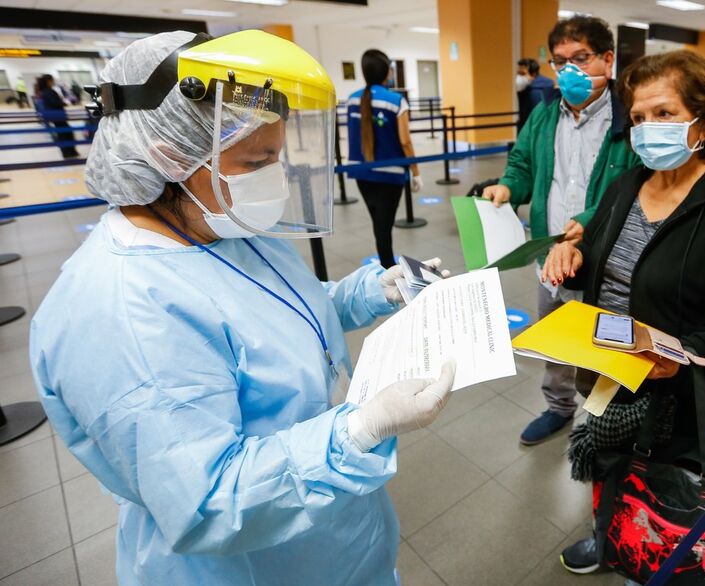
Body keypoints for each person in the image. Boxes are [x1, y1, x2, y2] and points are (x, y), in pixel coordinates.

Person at [29, 30, 455, 585]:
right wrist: (359, 430)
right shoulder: (124, 314)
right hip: (252, 563)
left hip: (328, 539)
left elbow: (275, 313)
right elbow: (208, 500)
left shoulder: (216, 223)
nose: (274, 176)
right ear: (171, 156)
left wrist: (374, 291)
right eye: (257, 160)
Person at [541, 49, 705, 575]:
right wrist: (571, 256)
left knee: (653, 477)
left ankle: (659, 549)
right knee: (604, 463)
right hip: (602, 367)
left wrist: (681, 357)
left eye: (664, 114)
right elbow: (601, 265)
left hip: (670, 390)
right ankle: (608, 537)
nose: (647, 129)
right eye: (639, 118)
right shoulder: (626, 187)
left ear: (704, 120)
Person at [481, 15, 641, 445]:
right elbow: (522, 165)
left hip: (604, 260)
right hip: (549, 254)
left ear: (607, 60)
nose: (569, 70)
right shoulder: (544, 115)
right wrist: (507, 188)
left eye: (581, 58)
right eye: (560, 62)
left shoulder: (629, 120)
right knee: (555, 337)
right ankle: (558, 406)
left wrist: (589, 222)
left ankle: (607, 420)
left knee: (606, 341)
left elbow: (636, 187)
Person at [346, 49, 422, 268]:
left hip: (361, 173)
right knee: (384, 226)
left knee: (379, 223)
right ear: (387, 71)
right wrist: (415, 172)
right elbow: (405, 141)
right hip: (391, 174)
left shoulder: (352, 100)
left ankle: (385, 265)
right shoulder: (396, 100)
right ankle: (387, 269)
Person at [36, 74, 80, 158]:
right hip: (57, 116)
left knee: (65, 133)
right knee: (64, 134)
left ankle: (70, 152)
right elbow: (53, 102)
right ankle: (68, 153)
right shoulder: (47, 91)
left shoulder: (46, 90)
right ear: (48, 81)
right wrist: (64, 103)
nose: (53, 82)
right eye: (52, 80)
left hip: (56, 116)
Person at [516, 57, 556, 131]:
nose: (519, 77)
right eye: (518, 73)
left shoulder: (535, 92)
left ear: (533, 74)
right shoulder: (524, 88)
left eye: (523, 74)